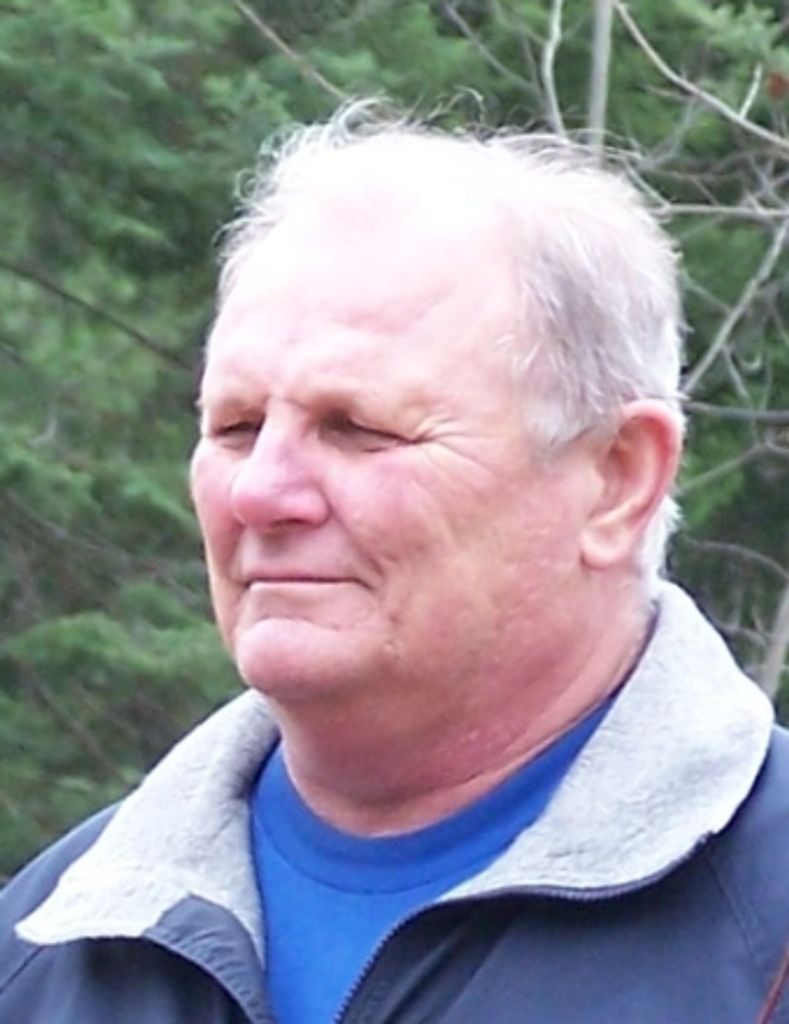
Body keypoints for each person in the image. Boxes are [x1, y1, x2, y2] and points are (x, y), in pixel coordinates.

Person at [1, 102, 787, 1024]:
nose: (261, 491)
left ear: (615, 480)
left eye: (357, 428)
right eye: (237, 427)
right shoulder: (47, 952)